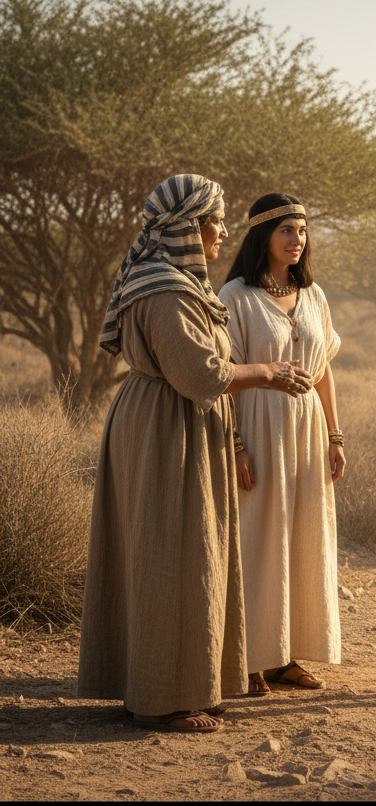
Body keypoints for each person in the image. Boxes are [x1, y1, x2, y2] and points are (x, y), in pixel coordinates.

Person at [78, 174, 313, 733]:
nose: (223, 232)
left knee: (181, 553)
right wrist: (268, 372)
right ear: (188, 227)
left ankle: (172, 687)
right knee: (170, 555)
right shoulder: (164, 290)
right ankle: (162, 700)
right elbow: (199, 372)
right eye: (215, 221)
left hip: (174, 422)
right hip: (166, 427)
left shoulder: (171, 281)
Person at [219, 194, 344, 695]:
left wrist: (336, 436)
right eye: (286, 231)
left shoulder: (312, 295)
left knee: (302, 536)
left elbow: (324, 371)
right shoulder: (235, 296)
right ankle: (248, 658)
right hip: (257, 425)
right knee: (256, 538)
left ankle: (285, 657)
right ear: (262, 237)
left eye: (302, 230)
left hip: (308, 431)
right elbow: (223, 376)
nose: (297, 240)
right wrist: (236, 445)